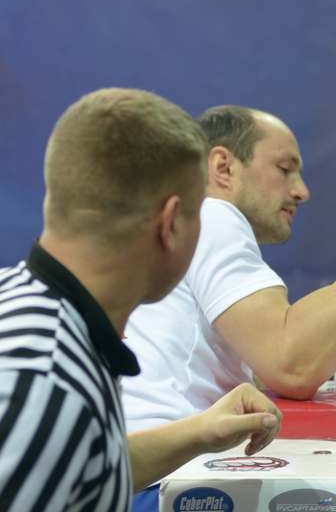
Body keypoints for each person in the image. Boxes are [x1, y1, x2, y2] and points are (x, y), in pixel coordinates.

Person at [121, 105, 336, 509]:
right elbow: (292, 364)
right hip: (165, 487)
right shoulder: (212, 214)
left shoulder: (177, 223)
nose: (301, 190)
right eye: (285, 168)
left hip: (142, 474)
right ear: (222, 166)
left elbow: (292, 347)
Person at [0, 89, 281, 511]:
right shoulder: (45, 380)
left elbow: (80, 467)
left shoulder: (48, 321)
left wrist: (199, 432)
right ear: (171, 225)